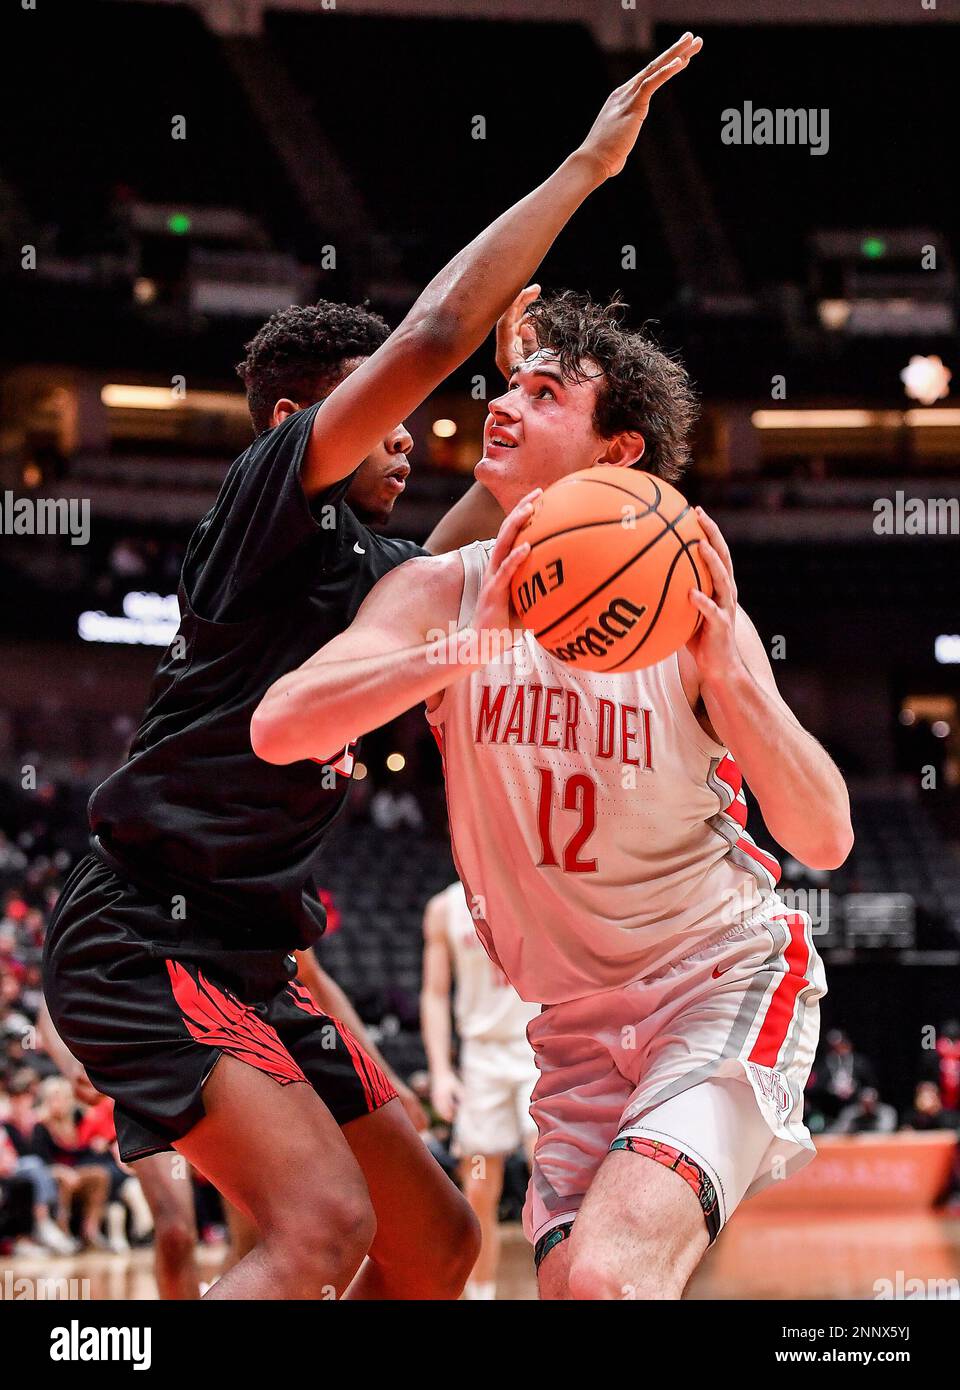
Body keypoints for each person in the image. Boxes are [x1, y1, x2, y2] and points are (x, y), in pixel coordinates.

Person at [44, 30, 705, 1300]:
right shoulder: (263, 504)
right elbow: (439, 326)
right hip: (143, 928)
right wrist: (582, 168)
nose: (409, 436)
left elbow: (504, 527)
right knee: (316, 1231)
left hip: (258, 952)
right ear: (302, 424)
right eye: (380, 410)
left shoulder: (381, 576)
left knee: (441, 1243)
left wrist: (559, 409)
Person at [252, 50, 860, 1302]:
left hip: (719, 977)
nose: (504, 404)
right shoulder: (437, 591)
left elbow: (827, 833)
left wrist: (734, 679)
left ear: (620, 453)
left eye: (543, 391)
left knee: (606, 1280)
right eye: (505, 385)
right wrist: (470, 647)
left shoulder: (688, 591)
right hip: (570, 1037)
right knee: (582, 1287)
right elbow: (281, 725)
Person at [421, 880, 539, 1300]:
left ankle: (565, 1285)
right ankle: (482, 1295)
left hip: (537, 1047)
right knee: (478, 1189)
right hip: (480, 1057)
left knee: (547, 1172)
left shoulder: (536, 885)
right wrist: (441, 1072)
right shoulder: (444, 908)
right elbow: (434, 995)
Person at [832, 1087, 897, 1135]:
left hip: (879, 1146)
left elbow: (885, 1132)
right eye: (865, 1103)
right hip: (854, 1146)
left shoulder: (886, 1112)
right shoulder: (851, 1113)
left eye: (870, 1103)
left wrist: (863, 1134)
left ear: (876, 1101)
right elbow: (840, 1131)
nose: (868, 1106)